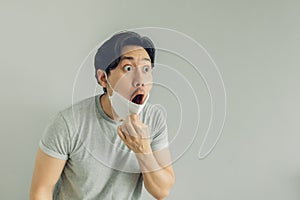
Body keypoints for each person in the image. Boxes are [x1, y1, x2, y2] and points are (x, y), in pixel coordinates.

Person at [30, 31, 175, 200]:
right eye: (128, 68)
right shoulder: (68, 123)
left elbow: (162, 191)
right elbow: (41, 191)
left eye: (146, 68)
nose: (140, 80)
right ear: (103, 78)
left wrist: (143, 150)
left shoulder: (154, 119)